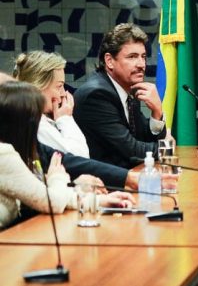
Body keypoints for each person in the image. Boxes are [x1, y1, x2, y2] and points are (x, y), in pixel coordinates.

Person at [0, 81, 133, 229]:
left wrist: (97, 200)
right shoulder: (4, 154)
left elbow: (42, 195)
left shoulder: (19, 148)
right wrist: (57, 178)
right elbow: (51, 202)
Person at [73, 23, 167, 168]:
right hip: (102, 185)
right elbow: (132, 150)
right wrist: (167, 147)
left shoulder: (128, 89)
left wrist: (157, 112)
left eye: (143, 57)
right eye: (132, 57)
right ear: (109, 61)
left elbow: (141, 139)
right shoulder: (97, 95)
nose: (141, 64)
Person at [13, 51, 90, 157]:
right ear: (37, 87)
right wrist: (65, 119)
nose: (63, 93)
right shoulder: (36, 123)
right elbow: (80, 157)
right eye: (59, 86)